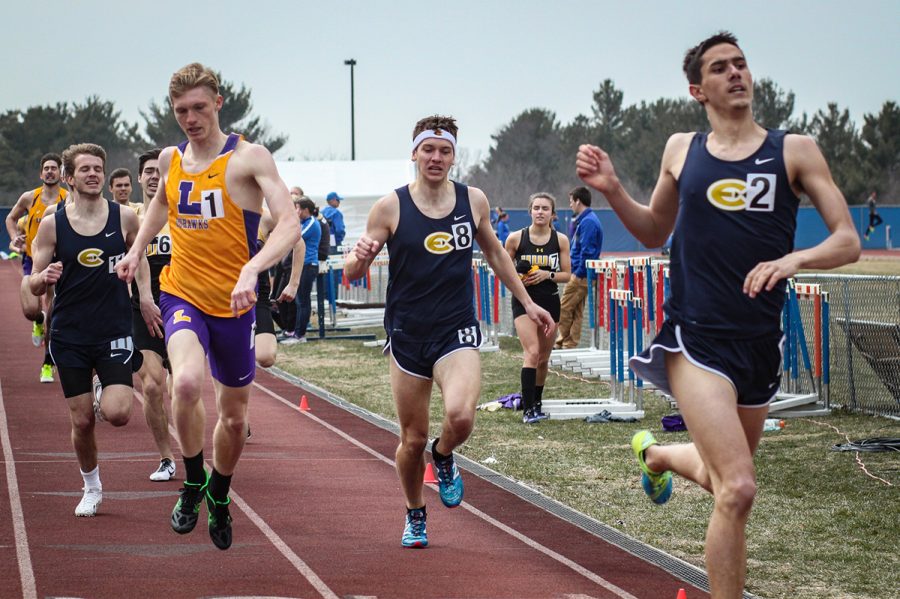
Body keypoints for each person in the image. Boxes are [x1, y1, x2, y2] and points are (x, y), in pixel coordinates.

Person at [575, 31, 860, 598]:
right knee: (738, 489)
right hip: (694, 338)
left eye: (741, 64)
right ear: (697, 89)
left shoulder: (794, 150)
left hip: (758, 342)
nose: (736, 74)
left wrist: (794, 258)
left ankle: (654, 454)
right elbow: (655, 229)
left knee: (716, 475)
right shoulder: (683, 149)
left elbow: (848, 241)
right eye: (720, 68)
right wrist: (612, 190)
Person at [345, 115, 553, 549]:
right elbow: (353, 273)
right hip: (407, 334)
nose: (436, 158)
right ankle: (415, 512)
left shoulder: (472, 200)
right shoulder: (391, 207)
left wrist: (529, 302)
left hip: (456, 328)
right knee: (410, 439)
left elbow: (496, 254)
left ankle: (442, 456)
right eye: (428, 149)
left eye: (444, 151)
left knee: (460, 416)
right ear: (415, 153)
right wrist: (358, 257)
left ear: (454, 156)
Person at [116, 63, 300, 550]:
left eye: (199, 107)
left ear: (218, 103)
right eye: (181, 110)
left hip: (234, 304)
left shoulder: (248, 158)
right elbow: (160, 204)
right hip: (183, 293)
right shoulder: (173, 159)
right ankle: (194, 481)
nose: (191, 118)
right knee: (189, 382)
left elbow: (288, 225)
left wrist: (252, 268)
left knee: (235, 419)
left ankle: (220, 489)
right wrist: (138, 249)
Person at [29, 143, 141, 517]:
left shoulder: (125, 217)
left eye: (98, 168)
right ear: (69, 177)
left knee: (119, 413)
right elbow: (32, 281)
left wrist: (146, 298)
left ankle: (103, 388)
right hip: (69, 333)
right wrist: (43, 276)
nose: (93, 174)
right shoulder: (52, 224)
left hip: (113, 329)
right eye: (85, 169)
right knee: (81, 420)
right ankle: (91, 486)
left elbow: (137, 256)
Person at [127, 148, 178, 481]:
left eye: (159, 171)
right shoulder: (128, 215)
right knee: (151, 387)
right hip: (139, 303)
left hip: (180, 301)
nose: (153, 177)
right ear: (139, 177)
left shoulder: (182, 214)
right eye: (148, 171)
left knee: (182, 388)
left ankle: (195, 447)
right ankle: (166, 457)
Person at [505, 193, 571, 423]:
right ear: (530, 211)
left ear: (552, 214)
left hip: (550, 300)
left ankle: (537, 401)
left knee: (543, 357)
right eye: (536, 208)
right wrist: (518, 278)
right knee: (532, 352)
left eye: (545, 208)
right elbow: (503, 270)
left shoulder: (560, 240)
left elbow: (567, 275)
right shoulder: (516, 238)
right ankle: (528, 408)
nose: (540, 212)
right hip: (524, 301)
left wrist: (547, 274)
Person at [4, 153, 69, 383]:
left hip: (58, 262)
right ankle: (37, 320)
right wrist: (15, 238)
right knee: (31, 310)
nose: (50, 172)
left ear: (61, 174)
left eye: (54, 168)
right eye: (47, 168)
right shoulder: (29, 197)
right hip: (33, 261)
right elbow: (10, 219)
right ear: (41, 173)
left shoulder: (68, 198)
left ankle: (48, 363)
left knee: (54, 312)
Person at [554, 186, 603, 349]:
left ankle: (564, 341)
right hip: (582, 273)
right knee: (576, 310)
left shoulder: (588, 222)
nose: (570, 205)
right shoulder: (586, 220)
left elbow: (587, 251)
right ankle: (569, 343)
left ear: (578, 201)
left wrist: (579, 273)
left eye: (571, 201)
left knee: (563, 307)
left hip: (581, 274)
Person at [281, 197, 321, 344]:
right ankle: (294, 332)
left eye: (298, 208)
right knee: (298, 301)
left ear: (305, 210)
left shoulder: (311, 222)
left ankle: (300, 335)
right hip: (302, 265)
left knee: (303, 301)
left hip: (308, 264)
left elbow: (295, 237)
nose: (296, 211)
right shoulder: (304, 222)